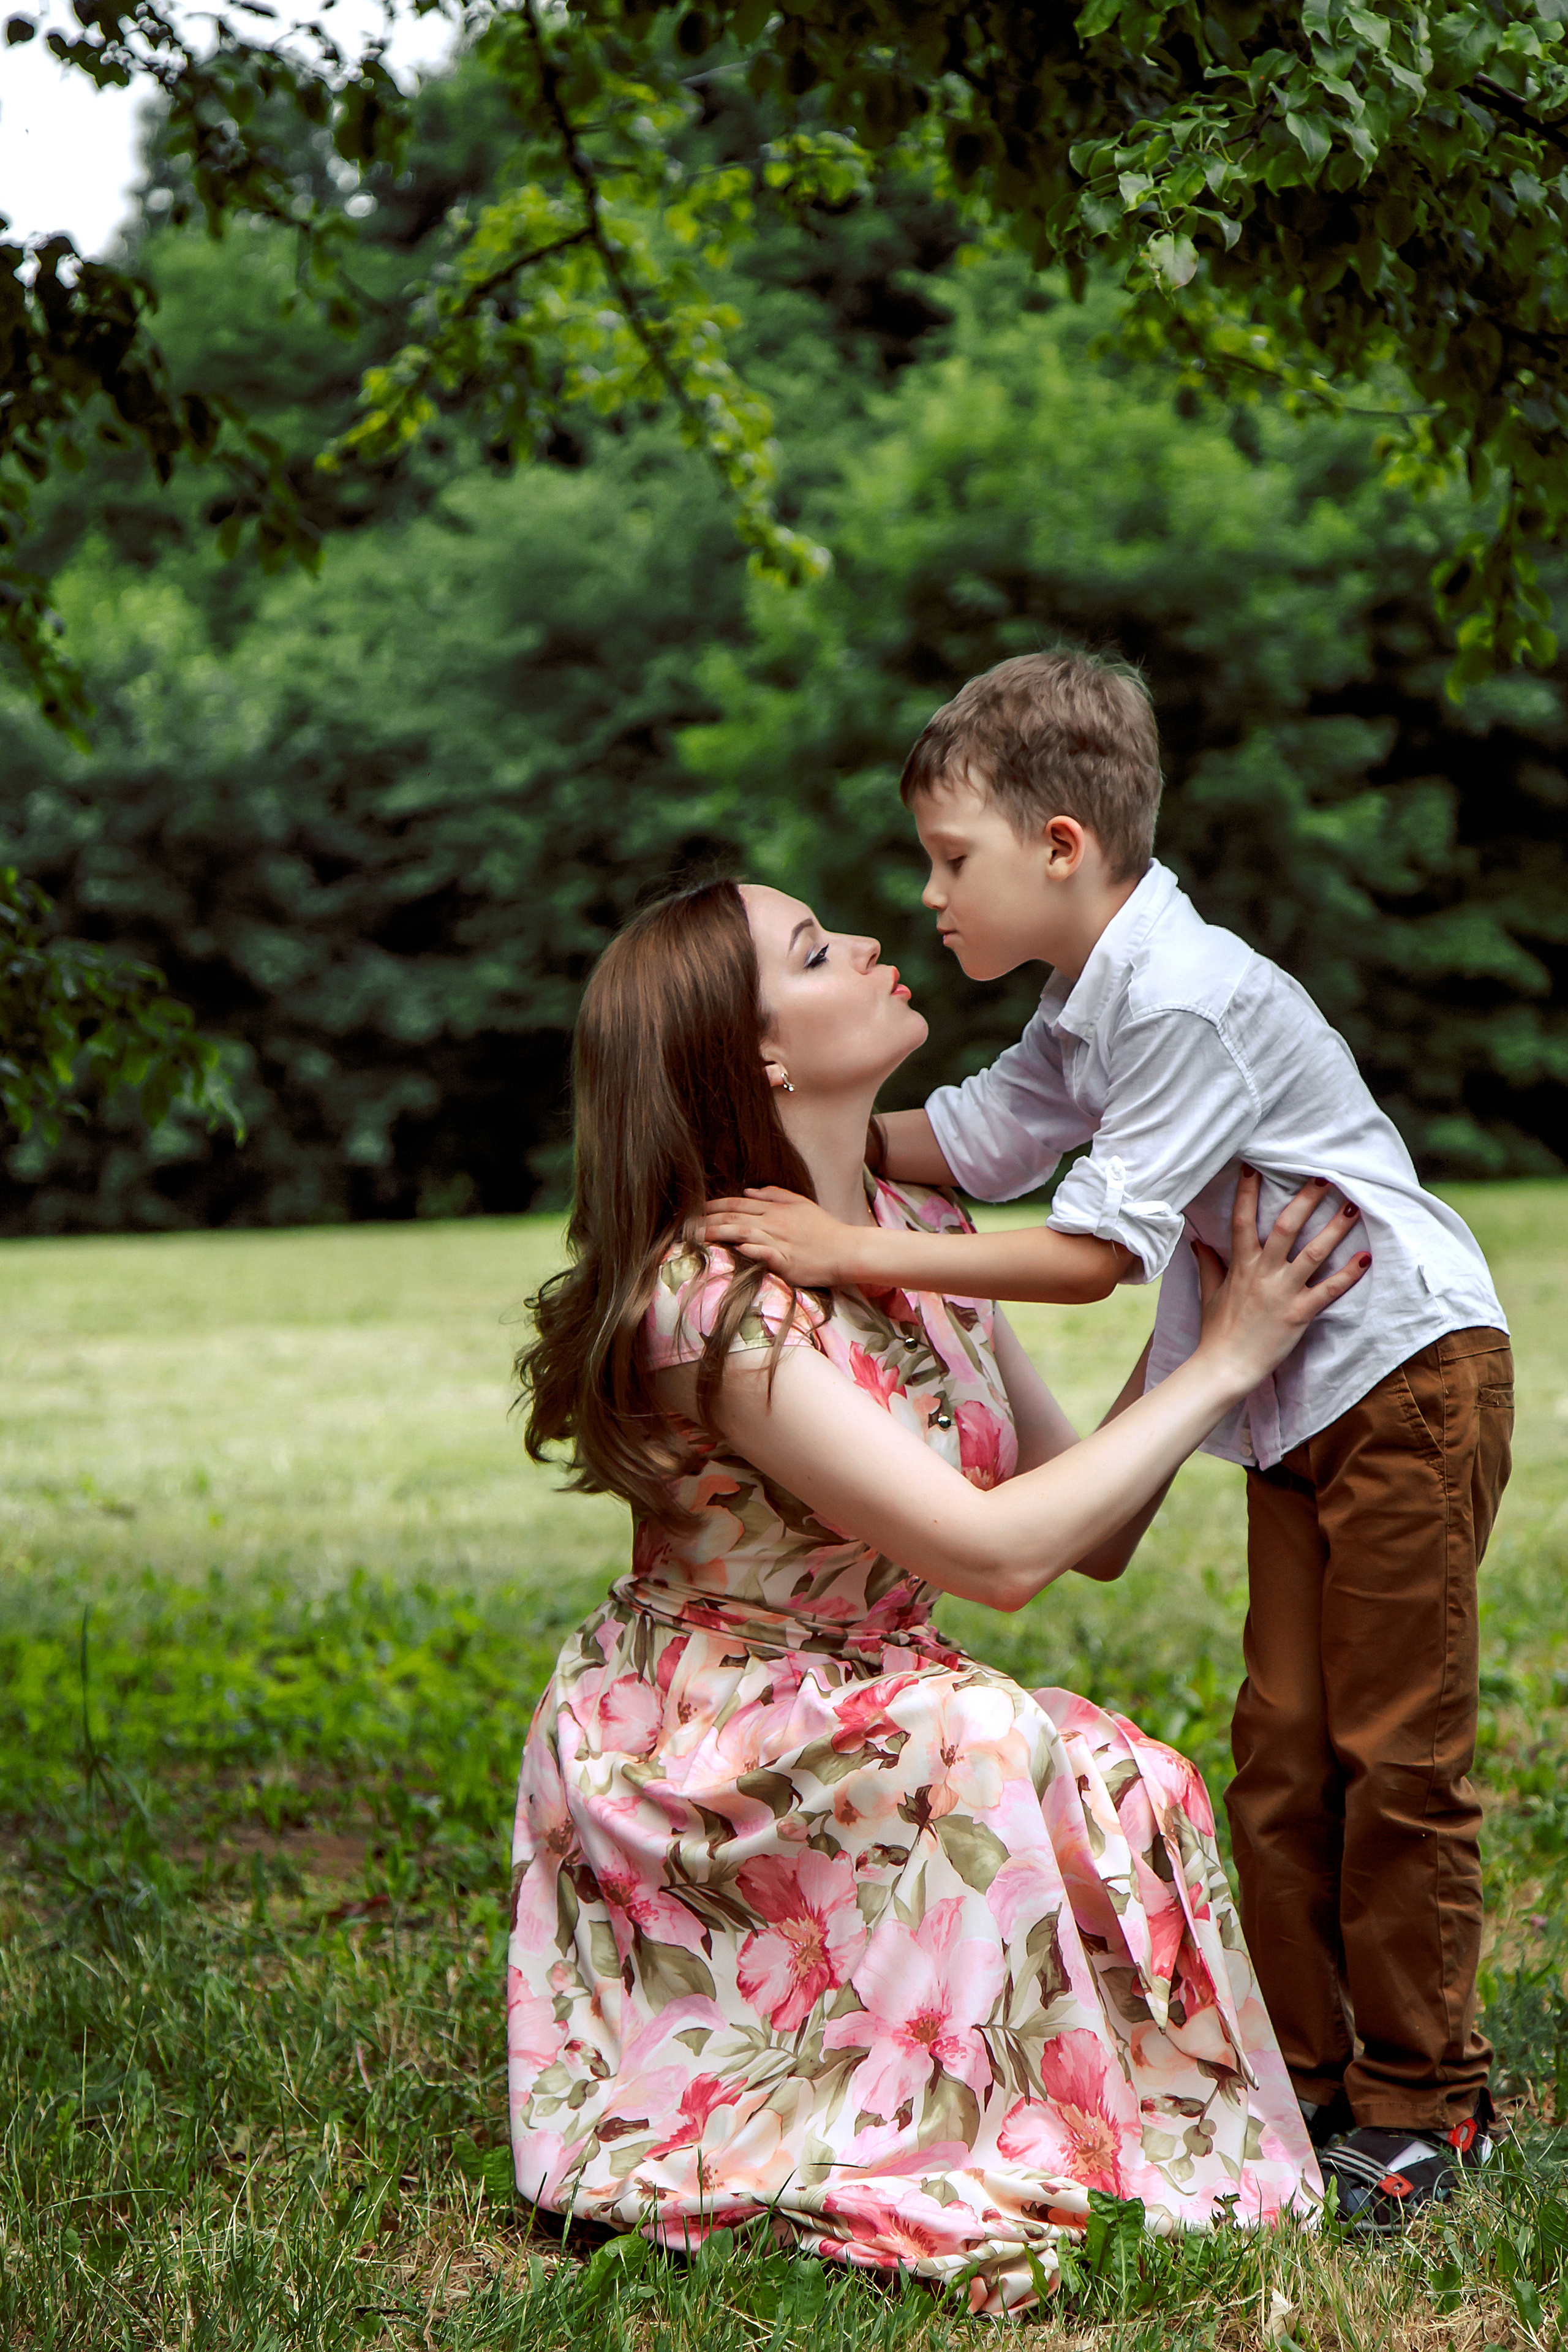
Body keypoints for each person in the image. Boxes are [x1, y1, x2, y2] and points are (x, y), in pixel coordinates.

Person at [703, 650, 1515, 2233]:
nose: (928, 896)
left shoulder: (1187, 997)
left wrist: (846, 1247)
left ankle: (1432, 2101)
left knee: (1395, 1751)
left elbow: (1093, 1255)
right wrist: (782, 1137)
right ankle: (1309, 2075)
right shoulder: (1090, 1001)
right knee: (1283, 1750)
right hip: (1296, 1396)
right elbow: (977, 1137)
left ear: (1059, 846)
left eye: (951, 860)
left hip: (1403, 1375)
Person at [509, 875, 1366, 2314]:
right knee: (981, 1740)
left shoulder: (917, 1229)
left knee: (1123, 1774)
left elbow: (1085, 1527)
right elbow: (996, 1558)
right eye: (813, 951)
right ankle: (886, 2132)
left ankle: (1089, 2133)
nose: (867, 943)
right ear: (758, 1053)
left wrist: (1195, 1323)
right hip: (710, 1734)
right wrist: (1225, 1363)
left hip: (872, 1694)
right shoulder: (713, 1301)